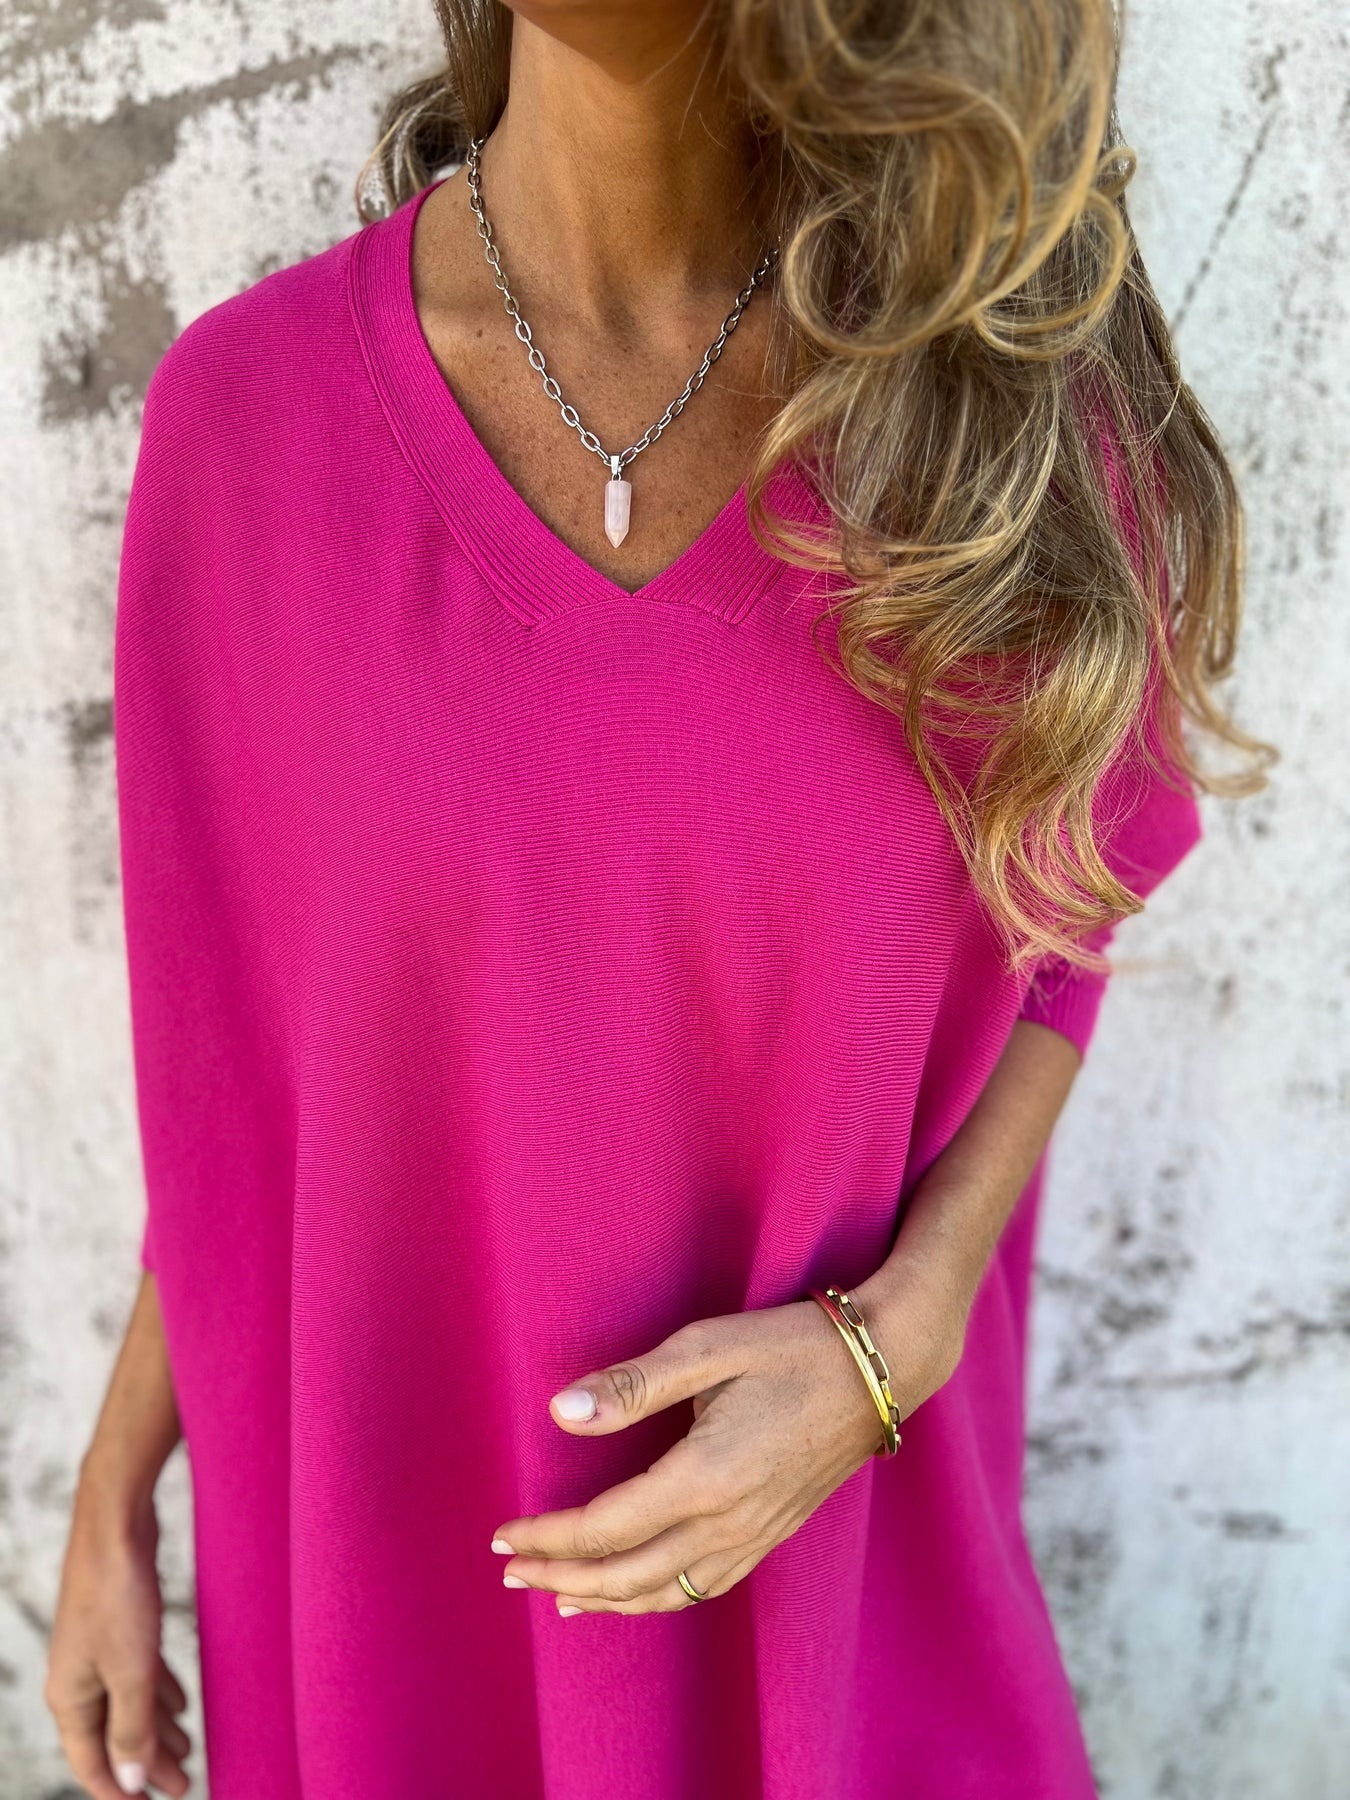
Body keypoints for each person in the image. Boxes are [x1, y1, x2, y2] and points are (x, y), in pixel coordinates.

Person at [45, 2, 1272, 1796]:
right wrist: (113, 1479)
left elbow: (1066, 928)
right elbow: (247, 1070)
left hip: (845, 1592)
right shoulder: (252, 421)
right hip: (405, 1603)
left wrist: (902, 1332)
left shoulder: (1001, 419)